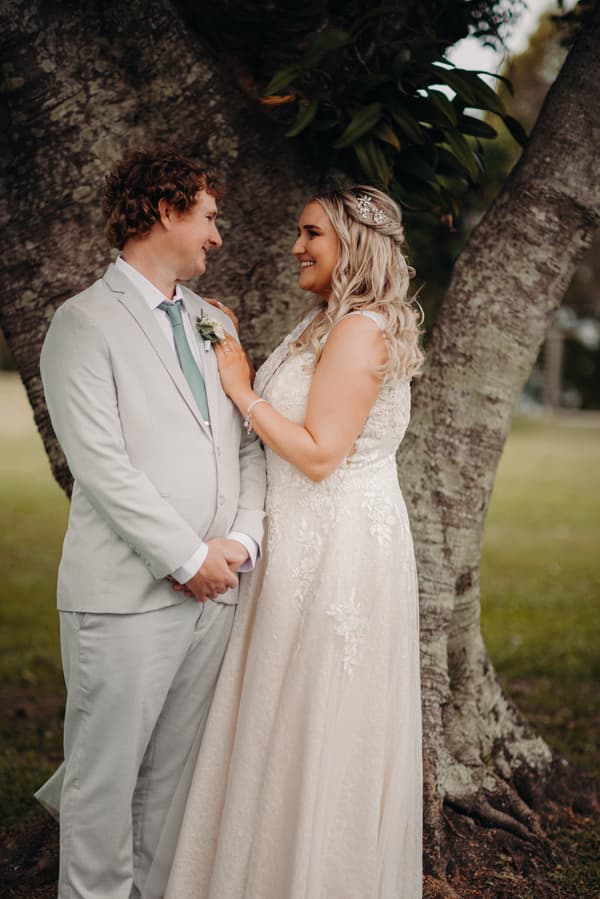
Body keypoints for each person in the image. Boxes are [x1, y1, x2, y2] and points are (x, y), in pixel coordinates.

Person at [163, 186, 424, 899]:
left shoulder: (363, 328)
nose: (295, 246)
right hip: (303, 539)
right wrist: (236, 353)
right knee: (277, 719)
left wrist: (243, 386)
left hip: (338, 550)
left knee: (317, 723)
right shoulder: (322, 322)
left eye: (311, 233)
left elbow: (317, 452)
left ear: (352, 244)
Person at [37, 149, 266, 899]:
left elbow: (246, 440)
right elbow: (99, 465)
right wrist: (183, 554)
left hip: (215, 592)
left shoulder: (212, 323)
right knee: (104, 783)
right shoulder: (83, 323)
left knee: (174, 785)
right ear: (166, 211)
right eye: (208, 216)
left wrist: (239, 543)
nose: (218, 236)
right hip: (127, 595)